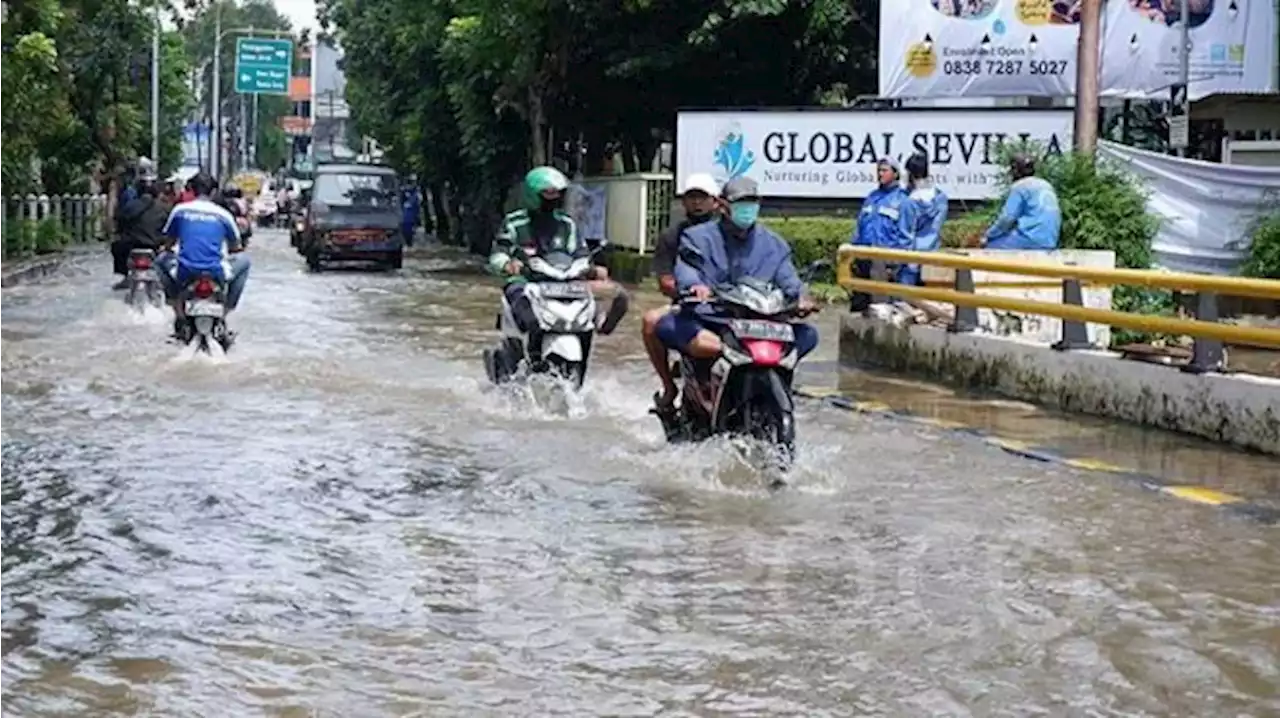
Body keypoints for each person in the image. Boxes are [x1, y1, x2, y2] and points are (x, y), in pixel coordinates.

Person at [655, 176, 818, 380]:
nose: (747, 209)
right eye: (741, 203)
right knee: (665, 325)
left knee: (808, 334)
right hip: (715, 319)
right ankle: (679, 386)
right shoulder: (696, 237)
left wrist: (801, 297)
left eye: (752, 203)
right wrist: (695, 286)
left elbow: (789, 278)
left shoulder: (774, 244)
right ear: (723, 205)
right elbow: (687, 268)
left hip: (761, 324)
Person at [488, 166, 628, 359]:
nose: (553, 198)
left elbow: (580, 252)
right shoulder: (514, 223)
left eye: (557, 193)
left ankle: (597, 329)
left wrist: (592, 268)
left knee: (607, 298)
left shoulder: (567, 224)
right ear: (533, 195)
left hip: (562, 282)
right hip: (527, 280)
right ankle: (529, 341)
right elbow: (498, 253)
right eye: (547, 193)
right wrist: (508, 265)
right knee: (516, 294)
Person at [645, 172, 722, 412]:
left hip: (732, 304)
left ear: (716, 201)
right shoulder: (672, 236)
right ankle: (668, 386)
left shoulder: (728, 233)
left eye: (702, 197)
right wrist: (686, 291)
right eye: (692, 197)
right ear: (684, 202)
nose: (697, 203)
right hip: (689, 303)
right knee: (650, 321)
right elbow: (665, 279)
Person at [154, 172, 252, 336]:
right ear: (214, 192)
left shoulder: (180, 211)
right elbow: (236, 248)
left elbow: (169, 243)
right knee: (245, 261)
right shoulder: (224, 215)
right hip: (216, 272)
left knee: (159, 260)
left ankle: (177, 310)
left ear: (191, 190)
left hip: (185, 271)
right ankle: (226, 311)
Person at [982, 154, 1061, 250]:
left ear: (1016, 171)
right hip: (1050, 241)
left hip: (1030, 238)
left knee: (990, 246)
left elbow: (1007, 218)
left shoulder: (1020, 187)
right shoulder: (1046, 185)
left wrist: (988, 235)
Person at [109, 168, 169, 289]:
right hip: (154, 246)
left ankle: (125, 276)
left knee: (116, 245)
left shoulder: (130, 206)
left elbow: (119, 222)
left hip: (132, 246)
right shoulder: (163, 208)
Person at [899, 152, 949, 286]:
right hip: (933, 255)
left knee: (905, 302)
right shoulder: (940, 198)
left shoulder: (909, 202)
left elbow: (906, 235)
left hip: (912, 260)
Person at [401, 183, 421, 247]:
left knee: (408, 232)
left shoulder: (414, 196)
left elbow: (417, 207)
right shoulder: (412, 196)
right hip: (407, 218)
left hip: (409, 218)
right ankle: (408, 243)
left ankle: (409, 243)